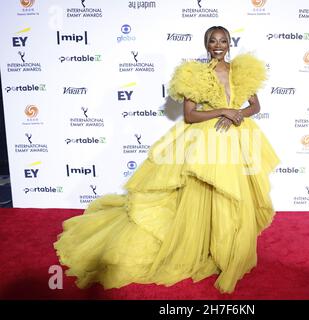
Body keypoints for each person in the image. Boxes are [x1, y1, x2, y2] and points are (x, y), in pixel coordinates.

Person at [54, 26, 280, 294]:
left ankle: (228, 250)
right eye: (212, 41)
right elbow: (190, 116)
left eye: (223, 40)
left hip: (238, 141)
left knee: (233, 198)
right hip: (205, 143)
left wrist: (240, 113)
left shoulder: (243, 70)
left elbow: (256, 106)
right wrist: (225, 111)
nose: (218, 45)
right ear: (206, 44)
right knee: (201, 198)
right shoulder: (194, 74)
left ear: (231, 43)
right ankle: (202, 247)